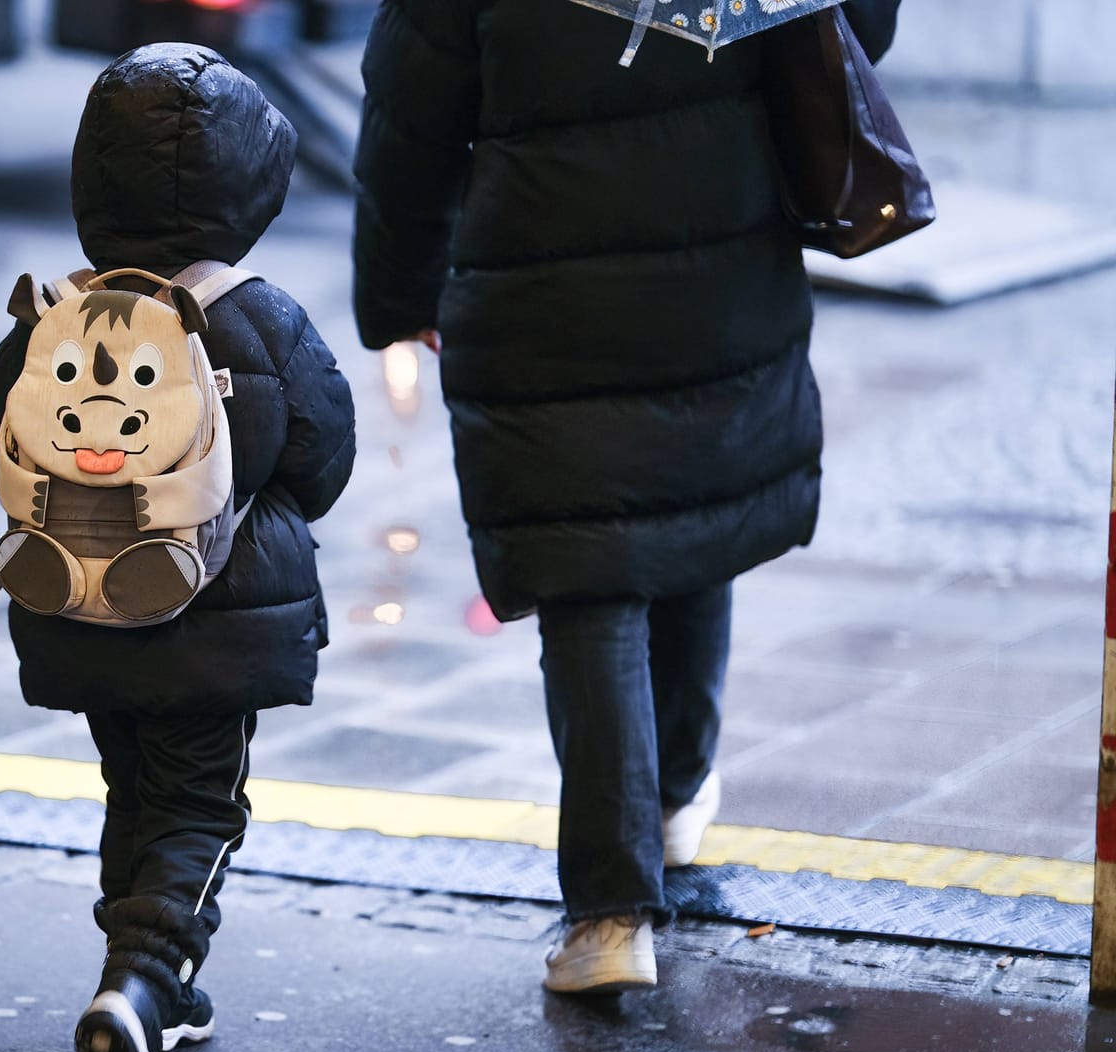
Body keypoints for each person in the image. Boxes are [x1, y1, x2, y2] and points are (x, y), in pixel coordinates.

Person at [350, 0, 900, 994]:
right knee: (690, 511)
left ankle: (608, 914)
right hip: (721, 256)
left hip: (541, 283)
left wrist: (398, 291)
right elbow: (858, 29)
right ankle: (677, 796)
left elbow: (410, 120)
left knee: (589, 568)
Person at [0, 43, 356, 1052]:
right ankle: (139, 983)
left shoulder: (55, 313)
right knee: (198, 806)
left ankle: (145, 983)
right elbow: (325, 457)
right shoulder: (257, 318)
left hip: (79, 606)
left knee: (132, 788)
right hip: (213, 620)